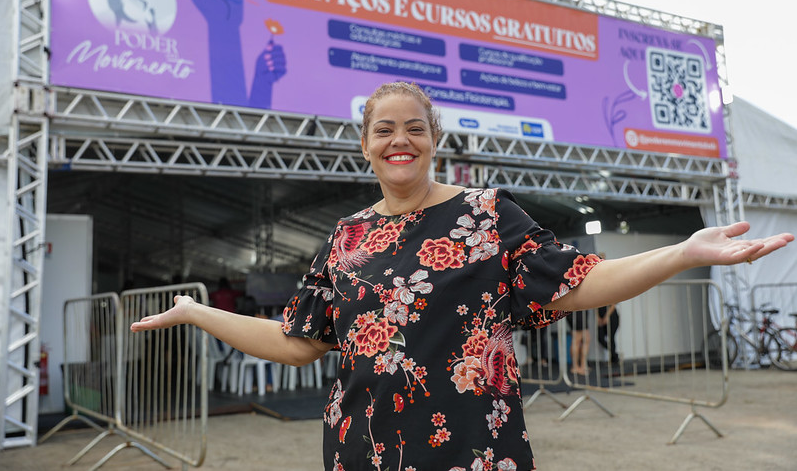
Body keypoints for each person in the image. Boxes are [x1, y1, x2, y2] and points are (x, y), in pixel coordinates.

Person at [131, 81, 793, 471]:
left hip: (472, 450)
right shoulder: (345, 237)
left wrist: (682, 251)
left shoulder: (485, 216)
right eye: (384, 129)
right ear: (364, 144)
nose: (399, 140)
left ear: (433, 138)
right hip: (362, 450)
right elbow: (298, 340)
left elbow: (577, 282)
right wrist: (196, 310)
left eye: (413, 129)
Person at [566, 309, 591, 375]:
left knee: (586, 338)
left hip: (580, 310)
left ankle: (583, 365)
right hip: (576, 311)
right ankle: (575, 367)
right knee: (577, 338)